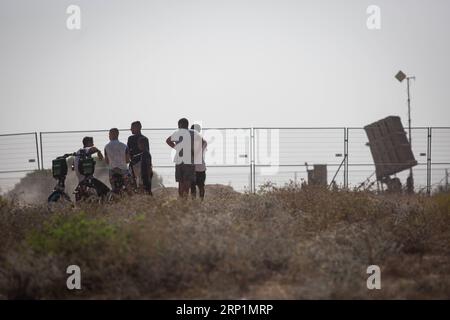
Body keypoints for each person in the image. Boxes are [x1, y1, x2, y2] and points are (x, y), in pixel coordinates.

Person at [166, 118, 204, 198]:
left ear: (180, 125)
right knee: (187, 181)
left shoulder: (178, 133)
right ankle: (185, 200)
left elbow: (168, 141)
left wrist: (177, 147)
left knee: (181, 182)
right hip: (189, 160)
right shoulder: (193, 133)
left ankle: (181, 200)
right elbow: (203, 142)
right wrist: (196, 152)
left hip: (179, 160)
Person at [104, 128, 131, 192]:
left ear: (111, 135)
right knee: (129, 188)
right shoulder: (124, 146)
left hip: (112, 171)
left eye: (109, 134)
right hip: (123, 171)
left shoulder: (106, 147)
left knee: (114, 189)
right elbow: (127, 160)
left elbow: (107, 161)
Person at [127, 121, 150, 188]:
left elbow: (128, 152)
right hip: (137, 163)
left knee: (136, 183)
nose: (131, 129)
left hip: (139, 164)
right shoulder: (131, 138)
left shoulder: (142, 139)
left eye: (132, 127)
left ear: (138, 128)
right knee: (138, 182)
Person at [190, 124, 207, 200]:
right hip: (200, 168)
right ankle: (201, 201)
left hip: (194, 168)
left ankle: (196, 202)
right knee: (200, 186)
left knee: (194, 186)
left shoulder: (191, 142)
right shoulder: (202, 141)